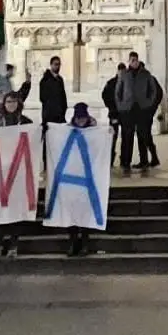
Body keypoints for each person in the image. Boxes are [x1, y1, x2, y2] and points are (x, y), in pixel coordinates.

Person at [0, 91, 33, 256]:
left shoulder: (25, 122)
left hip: (17, 172)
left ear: (19, 104)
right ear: (4, 104)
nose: (11, 105)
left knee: (16, 207)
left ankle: (13, 245)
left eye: (14, 102)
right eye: (8, 101)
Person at [116, 52, 163, 174]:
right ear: (129, 61)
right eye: (132, 60)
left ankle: (144, 161)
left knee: (142, 135)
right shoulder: (124, 74)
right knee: (127, 136)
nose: (134, 62)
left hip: (142, 109)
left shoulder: (146, 74)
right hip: (128, 109)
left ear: (138, 60)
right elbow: (118, 91)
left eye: (135, 60)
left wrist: (149, 103)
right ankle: (125, 162)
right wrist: (121, 105)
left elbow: (153, 91)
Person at [64, 102, 101, 256]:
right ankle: (73, 242)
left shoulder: (94, 131)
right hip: (73, 177)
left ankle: (84, 242)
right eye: (78, 118)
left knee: (85, 211)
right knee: (72, 212)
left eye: (83, 118)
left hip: (87, 177)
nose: (80, 121)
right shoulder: (67, 130)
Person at [101, 64, 126, 166]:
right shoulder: (111, 83)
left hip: (124, 114)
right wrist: (110, 107)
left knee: (125, 137)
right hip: (114, 114)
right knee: (112, 137)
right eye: (121, 72)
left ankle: (124, 159)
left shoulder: (127, 83)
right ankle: (110, 159)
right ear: (118, 71)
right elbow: (104, 95)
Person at [39, 56, 68, 125]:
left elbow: (63, 95)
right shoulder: (45, 80)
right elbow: (42, 98)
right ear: (51, 65)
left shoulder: (60, 79)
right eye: (56, 64)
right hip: (49, 115)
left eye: (59, 64)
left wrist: (64, 108)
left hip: (60, 115)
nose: (58, 66)